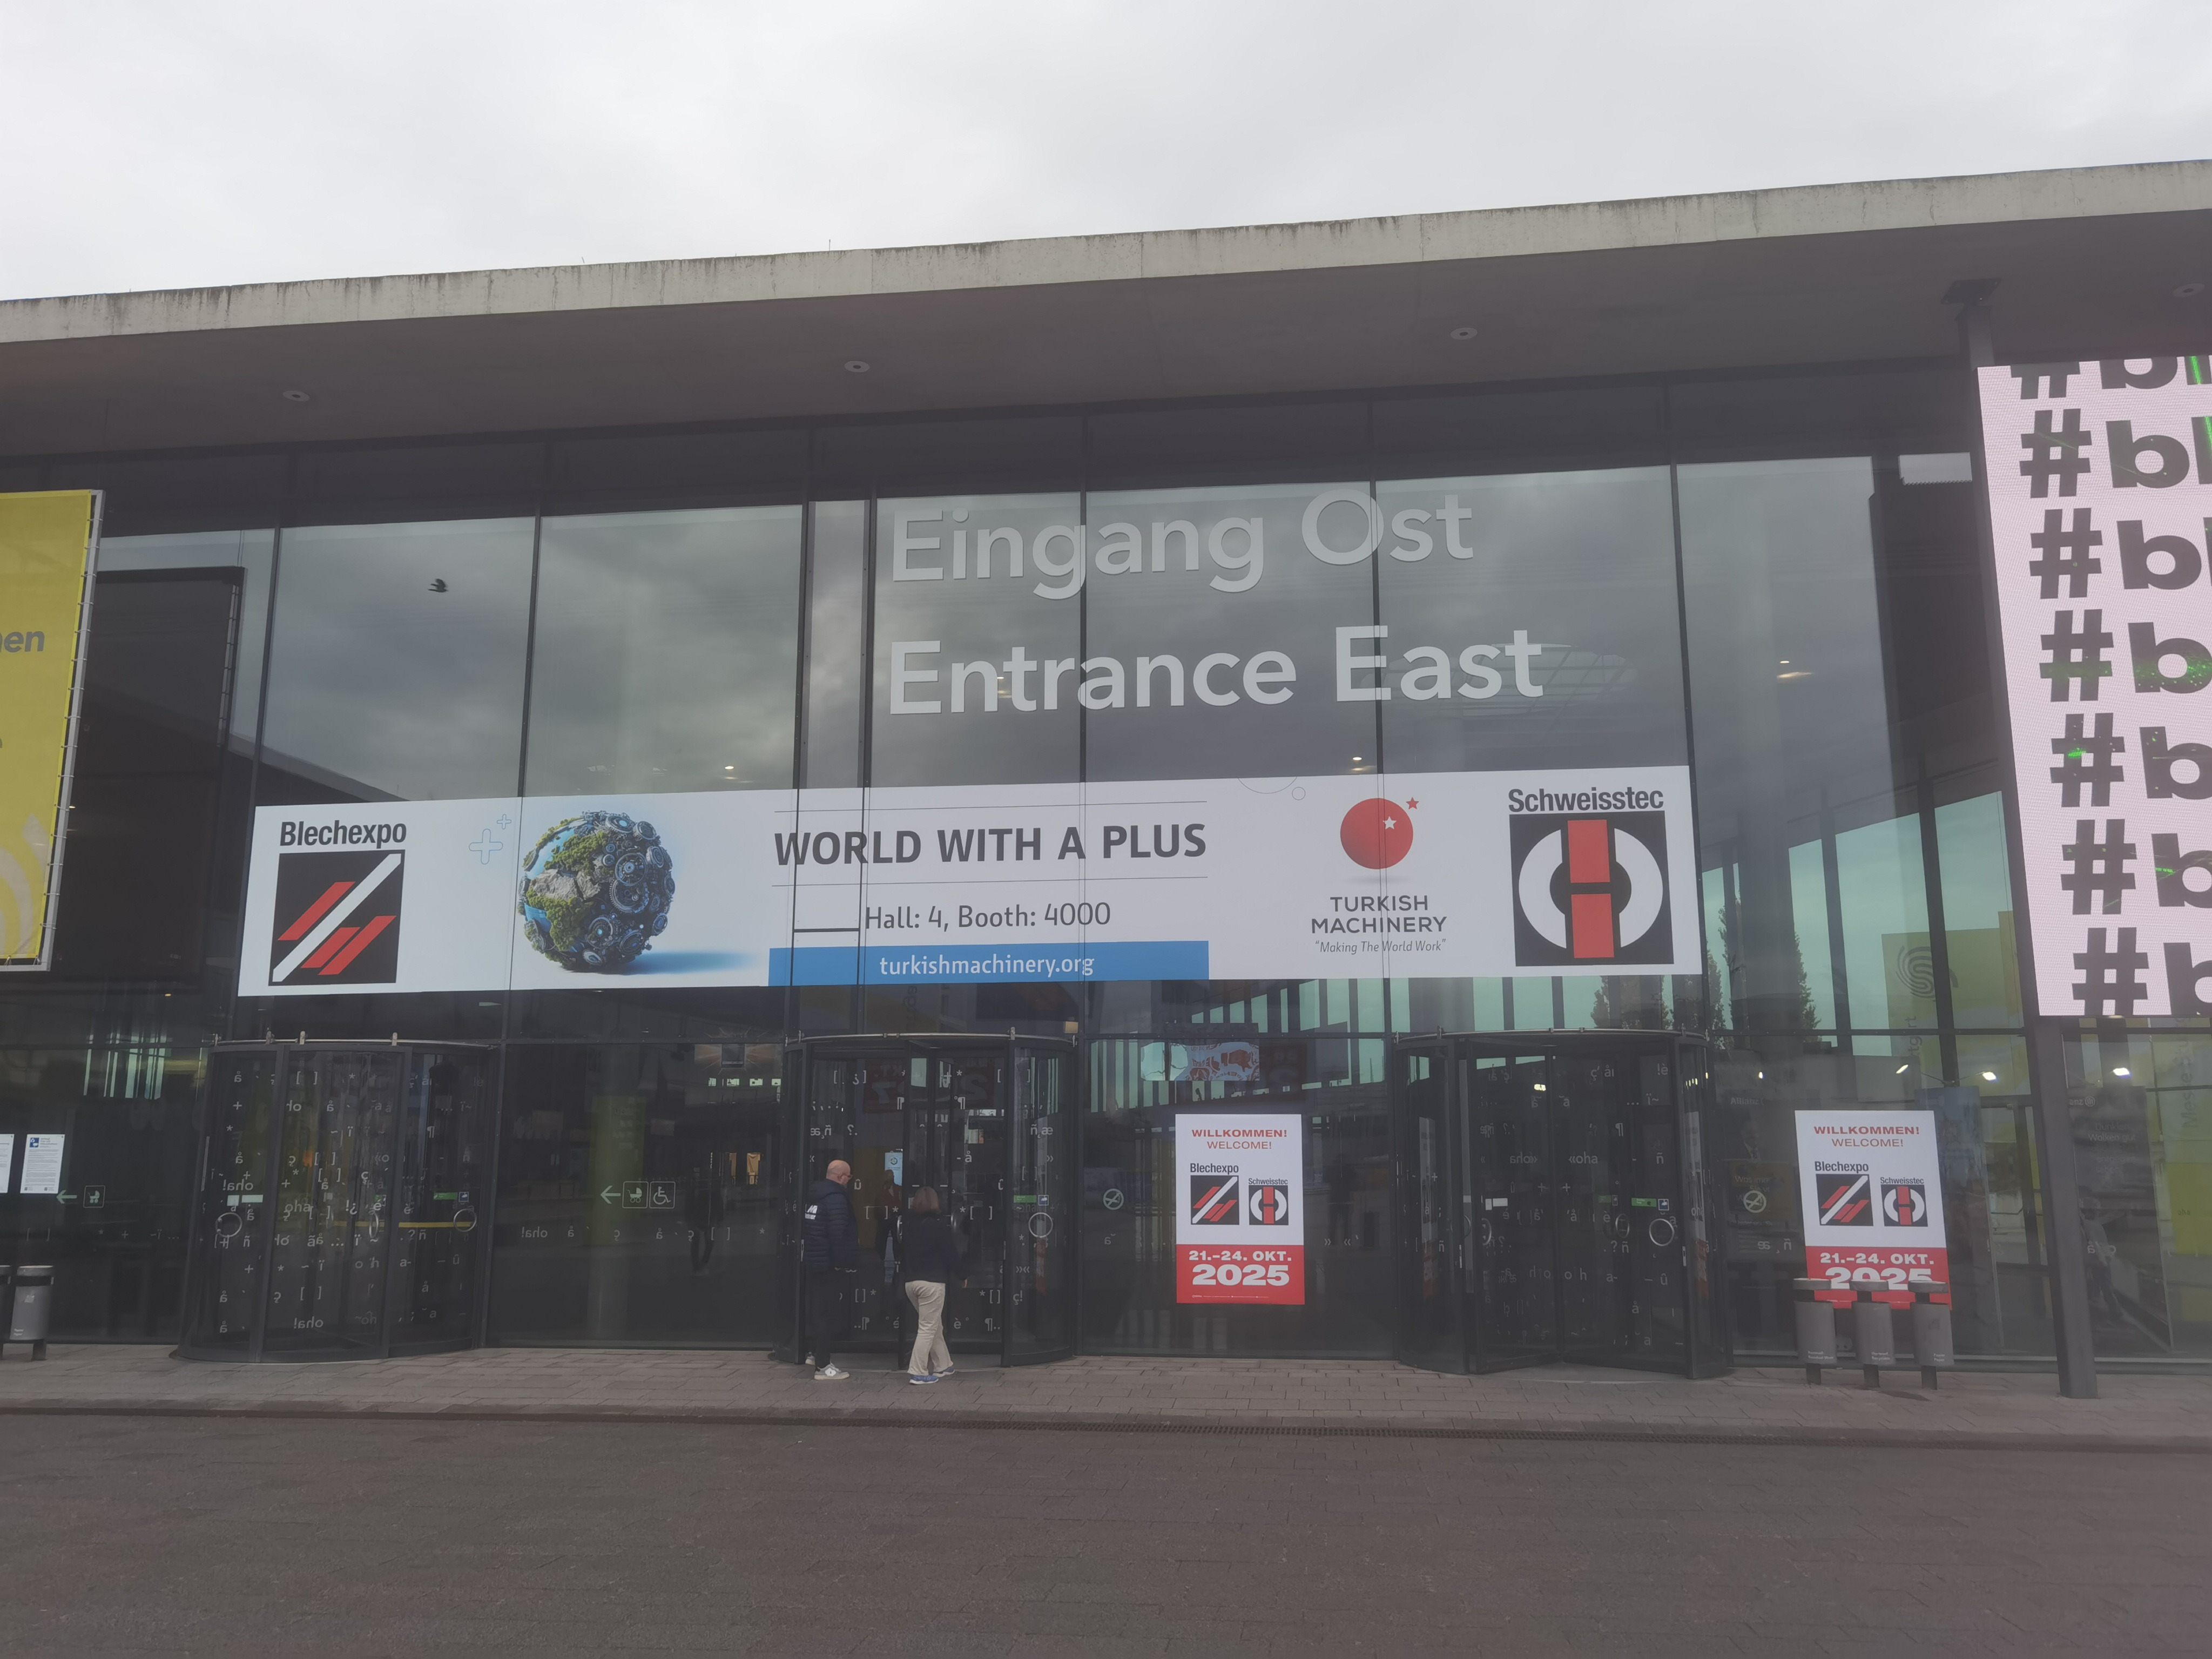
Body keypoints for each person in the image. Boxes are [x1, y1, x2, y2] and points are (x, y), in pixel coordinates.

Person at [896, 1185, 965, 1385]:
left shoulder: (908, 1226)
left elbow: (901, 1253)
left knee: (934, 1325)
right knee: (928, 1327)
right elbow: (950, 1254)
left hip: (911, 1283)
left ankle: (944, 1365)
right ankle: (918, 1371)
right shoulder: (939, 1226)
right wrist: (962, 1274)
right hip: (932, 1283)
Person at [801, 1158, 861, 1380]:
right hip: (828, 1264)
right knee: (827, 1313)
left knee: (816, 1309)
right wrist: (842, 1262)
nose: (849, 1181)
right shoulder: (836, 1199)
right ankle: (823, 1366)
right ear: (841, 1177)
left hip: (814, 1261)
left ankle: (812, 1352)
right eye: (849, 1177)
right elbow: (838, 1233)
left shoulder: (815, 1197)